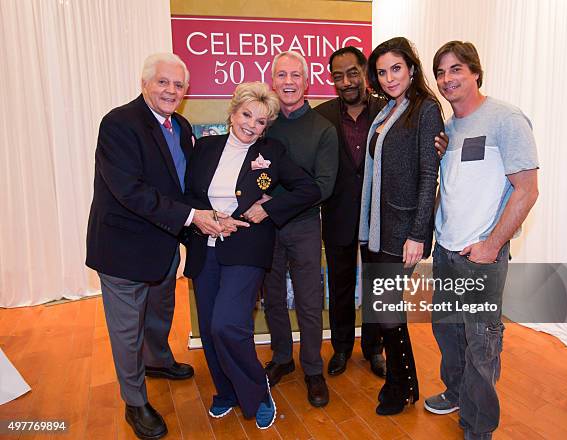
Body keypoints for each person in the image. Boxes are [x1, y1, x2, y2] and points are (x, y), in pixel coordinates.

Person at [86, 53, 232, 440]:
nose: (171, 90)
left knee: (159, 309)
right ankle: (135, 402)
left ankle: (159, 361)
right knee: (127, 329)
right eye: (163, 82)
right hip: (123, 247)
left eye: (178, 85)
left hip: (165, 242)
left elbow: (185, 182)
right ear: (145, 83)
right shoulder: (119, 123)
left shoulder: (180, 125)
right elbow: (129, 191)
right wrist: (191, 217)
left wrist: (213, 208)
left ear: (186, 91)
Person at [182, 82, 320, 430]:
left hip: (246, 248)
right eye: (247, 115)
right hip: (205, 246)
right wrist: (205, 218)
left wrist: (270, 206)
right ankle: (226, 392)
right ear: (233, 112)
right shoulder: (205, 148)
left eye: (261, 121)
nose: (251, 125)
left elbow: (309, 189)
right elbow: (187, 195)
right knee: (212, 332)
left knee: (227, 324)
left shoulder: (271, 152)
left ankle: (258, 392)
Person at [426, 41, 539, 440]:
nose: (447, 79)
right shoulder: (450, 128)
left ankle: (478, 427)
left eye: (456, 69)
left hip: (481, 256)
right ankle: (456, 393)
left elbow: (527, 189)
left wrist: (491, 245)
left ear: (475, 72)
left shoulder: (506, 118)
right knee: (448, 331)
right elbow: (455, 187)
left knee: (482, 344)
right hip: (446, 251)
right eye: (440, 72)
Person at [316, 47, 449, 379]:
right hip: (341, 216)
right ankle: (342, 347)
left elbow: (423, 162)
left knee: (380, 291)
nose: (346, 81)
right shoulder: (322, 116)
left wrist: (443, 150)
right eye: (337, 75)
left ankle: (374, 350)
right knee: (341, 286)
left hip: (384, 222)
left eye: (352, 72)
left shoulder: (391, 107)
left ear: (364, 73)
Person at [359, 37, 444, 415]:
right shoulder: (387, 110)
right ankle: (404, 383)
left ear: (411, 68)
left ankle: (400, 386)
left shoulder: (426, 110)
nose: (390, 77)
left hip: (402, 227)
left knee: (389, 311)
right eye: (381, 71)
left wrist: (417, 233)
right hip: (379, 224)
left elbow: (430, 175)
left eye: (396, 68)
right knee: (385, 310)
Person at [262, 51, 339, 407]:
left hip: (305, 225)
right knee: (273, 297)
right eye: (281, 75)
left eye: (295, 75)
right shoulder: (262, 124)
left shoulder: (323, 129)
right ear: (272, 81)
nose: (288, 82)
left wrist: (272, 207)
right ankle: (281, 358)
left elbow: (323, 186)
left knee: (309, 302)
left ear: (307, 82)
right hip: (263, 230)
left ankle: (312, 368)